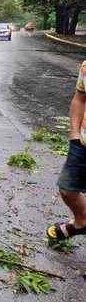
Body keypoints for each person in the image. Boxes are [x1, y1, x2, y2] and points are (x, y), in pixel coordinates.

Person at [47, 61, 86, 242]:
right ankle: (82, 222)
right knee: (67, 189)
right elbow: (79, 99)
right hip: (82, 143)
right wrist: (74, 132)